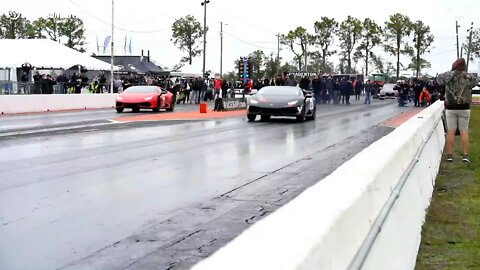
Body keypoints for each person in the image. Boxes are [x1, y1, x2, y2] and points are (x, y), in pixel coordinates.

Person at [438, 58, 477, 163]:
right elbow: (474, 83)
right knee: (464, 131)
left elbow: (439, 80)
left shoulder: (449, 75)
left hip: (451, 107)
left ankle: (450, 155)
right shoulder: (469, 76)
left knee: (451, 131)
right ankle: (465, 155)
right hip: (464, 107)